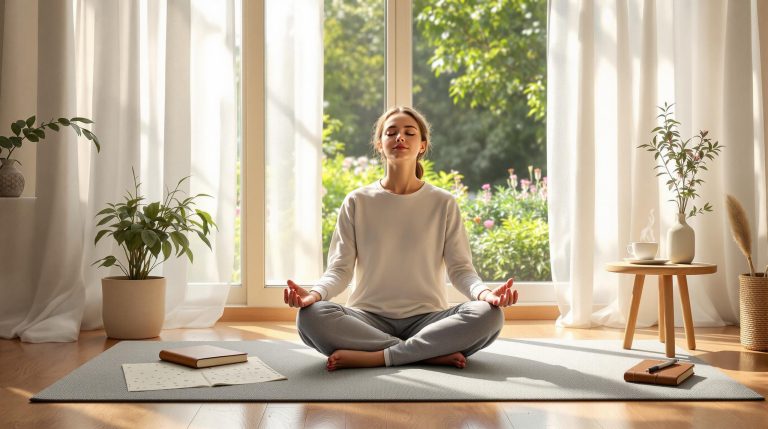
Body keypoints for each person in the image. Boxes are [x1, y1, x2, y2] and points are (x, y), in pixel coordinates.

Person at [284, 106, 518, 371]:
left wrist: (486, 294)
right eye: (391, 132)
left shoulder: (443, 202)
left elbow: (461, 269)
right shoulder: (357, 201)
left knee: (488, 316)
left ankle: (378, 356)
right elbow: (339, 270)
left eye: (409, 133)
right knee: (311, 317)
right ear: (379, 144)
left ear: (422, 145)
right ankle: (427, 353)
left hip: (429, 318)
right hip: (366, 318)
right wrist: (313, 296)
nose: (400, 138)